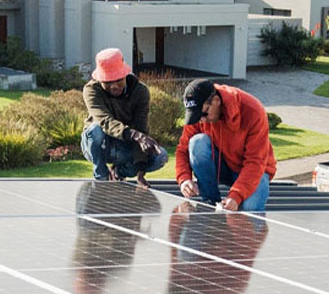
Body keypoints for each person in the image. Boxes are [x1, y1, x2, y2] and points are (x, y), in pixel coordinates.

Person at [175, 79, 277, 211]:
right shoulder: (199, 111)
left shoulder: (253, 111)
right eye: (197, 116)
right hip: (224, 166)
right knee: (197, 143)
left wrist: (236, 195)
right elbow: (183, 149)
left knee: (250, 209)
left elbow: (255, 162)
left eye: (204, 114)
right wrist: (184, 179)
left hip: (255, 170)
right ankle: (209, 201)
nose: (202, 119)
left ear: (216, 101)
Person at [82, 48, 168, 188]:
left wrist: (140, 172)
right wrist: (136, 136)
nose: (114, 86)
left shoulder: (140, 91)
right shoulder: (91, 90)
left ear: (125, 75)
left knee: (160, 156)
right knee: (95, 129)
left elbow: (141, 128)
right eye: (107, 82)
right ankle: (101, 177)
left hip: (123, 145)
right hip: (98, 146)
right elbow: (105, 121)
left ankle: (118, 173)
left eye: (118, 80)